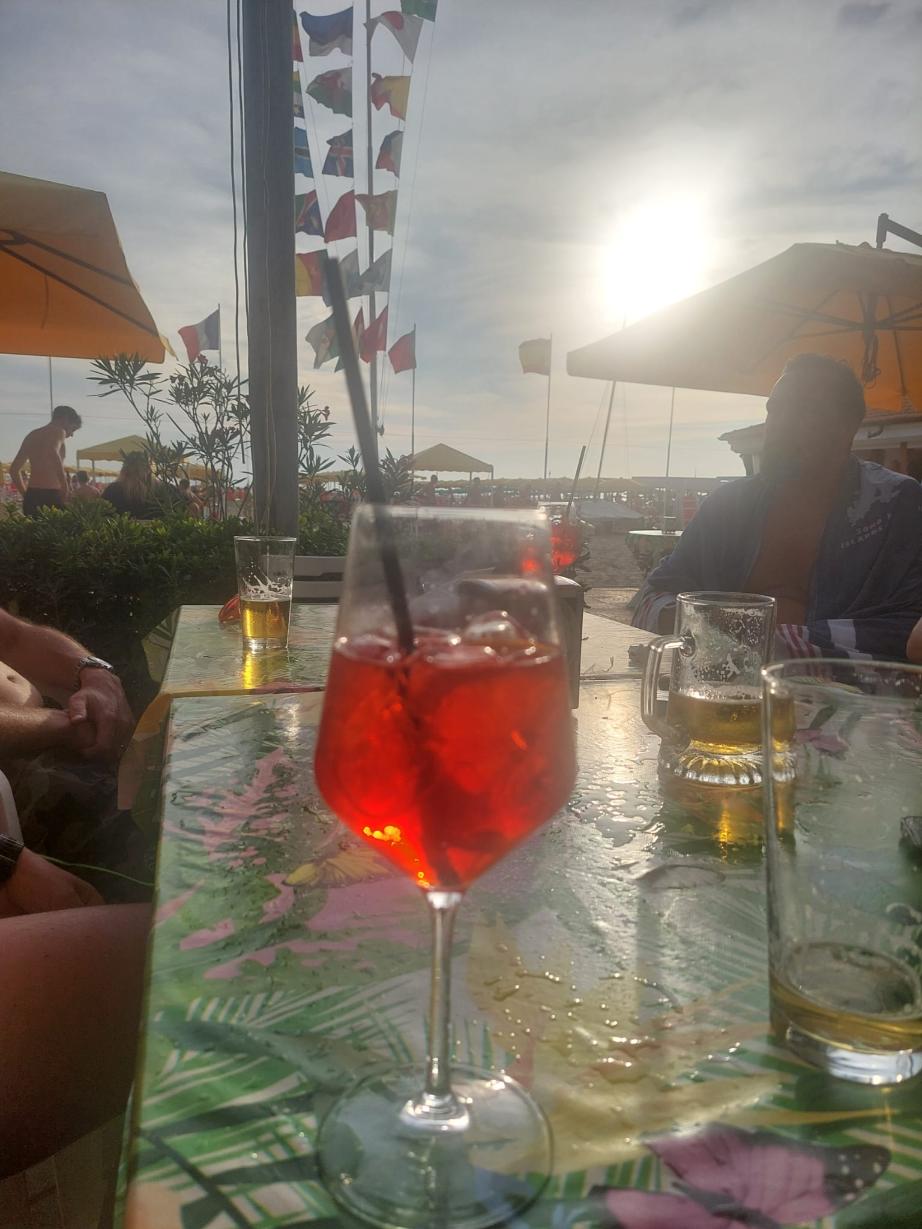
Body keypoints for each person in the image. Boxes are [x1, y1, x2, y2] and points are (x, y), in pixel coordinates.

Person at [633, 353, 922, 661]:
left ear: (848, 427)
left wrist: (769, 641)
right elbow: (650, 598)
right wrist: (701, 626)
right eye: (775, 409)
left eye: (804, 410)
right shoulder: (728, 507)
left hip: (852, 690)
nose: (780, 424)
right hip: (723, 682)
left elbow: (910, 630)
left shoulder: (895, 506)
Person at [9, 405, 82, 516]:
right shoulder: (59, 431)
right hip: (51, 494)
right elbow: (52, 451)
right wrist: (64, 486)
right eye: (73, 429)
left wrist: (25, 494)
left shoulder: (32, 435)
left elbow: (14, 470)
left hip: (32, 495)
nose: (71, 434)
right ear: (65, 419)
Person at [102, 451, 172, 519]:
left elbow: (103, 516)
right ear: (149, 469)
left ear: (124, 471)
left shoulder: (112, 491)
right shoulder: (167, 490)